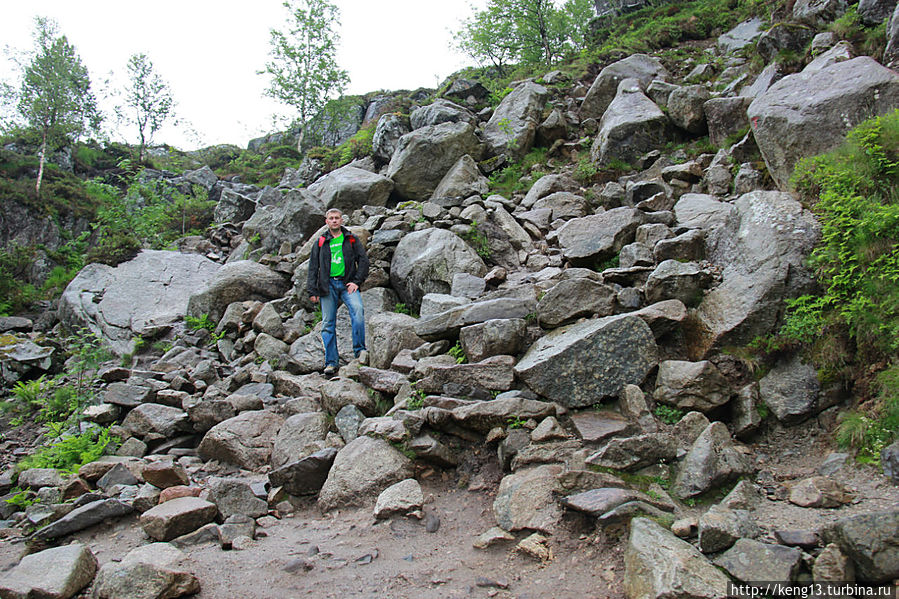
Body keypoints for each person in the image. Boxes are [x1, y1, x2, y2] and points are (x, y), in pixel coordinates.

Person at [307, 208, 369, 375]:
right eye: (331, 218)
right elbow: (313, 267)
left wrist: (356, 281)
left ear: (342, 220)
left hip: (346, 283)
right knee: (328, 323)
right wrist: (312, 290)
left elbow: (363, 260)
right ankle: (331, 362)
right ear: (326, 222)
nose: (334, 221)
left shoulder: (351, 239)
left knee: (358, 310)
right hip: (327, 287)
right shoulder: (320, 242)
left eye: (337, 218)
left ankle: (359, 352)